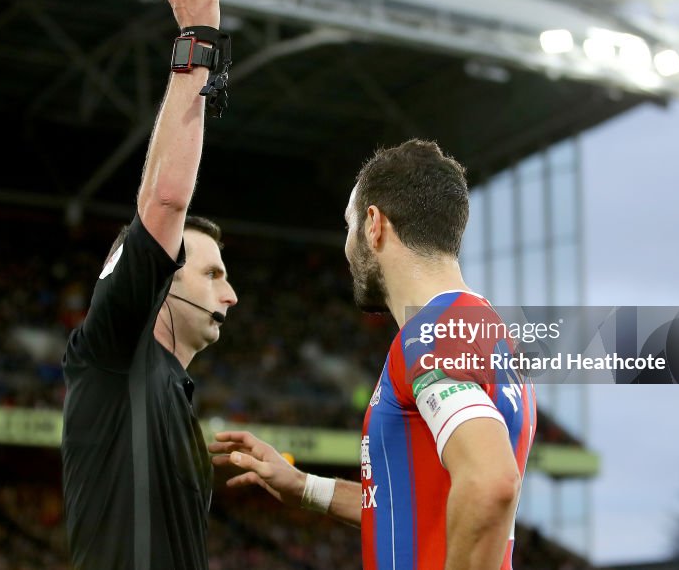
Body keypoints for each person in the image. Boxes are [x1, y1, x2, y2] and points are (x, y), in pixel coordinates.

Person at [211, 139, 537, 570]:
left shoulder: (434, 334)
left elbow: (491, 483)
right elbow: (412, 508)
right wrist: (304, 486)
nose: (346, 249)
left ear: (373, 225)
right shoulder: (486, 332)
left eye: (347, 227)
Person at [61, 0, 237, 570]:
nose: (231, 294)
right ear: (161, 283)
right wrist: (198, 41)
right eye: (212, 275)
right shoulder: (116, 354)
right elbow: (162, 204)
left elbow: (149, 206)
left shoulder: (169, 392)